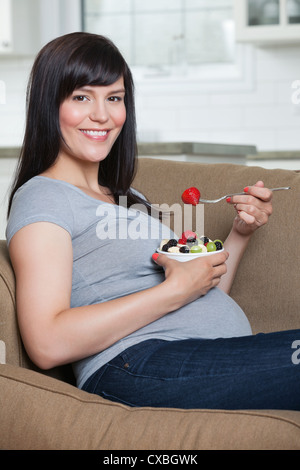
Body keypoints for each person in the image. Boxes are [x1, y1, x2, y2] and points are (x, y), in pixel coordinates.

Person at [6, 32, 300, 410]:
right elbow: (45, 342)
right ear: (49, 104)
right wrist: (173, 290)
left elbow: (198, 291)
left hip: (197, 356)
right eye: (82, 97)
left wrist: (240, 234)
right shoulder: (43, 196)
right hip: (137, 366)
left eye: (114, 98)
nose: (102, 114)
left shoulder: (127, 199)